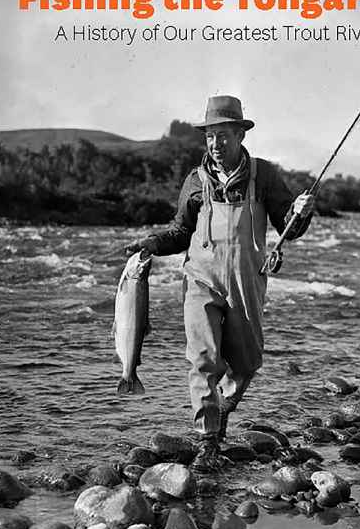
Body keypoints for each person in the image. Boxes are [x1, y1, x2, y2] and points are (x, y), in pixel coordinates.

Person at [126, 96, 314, 472]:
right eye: (210, 136)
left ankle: (222, 406)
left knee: (247, 362)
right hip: (201, 278)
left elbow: (288, 230)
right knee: (203, 358)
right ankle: (207, 439)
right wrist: (152, 244)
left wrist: (300, 213)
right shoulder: (195, 181)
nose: (215, 143)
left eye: (223, 135)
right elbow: (181, 232)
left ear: (241, 135)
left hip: (247, 280)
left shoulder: (265, 175)